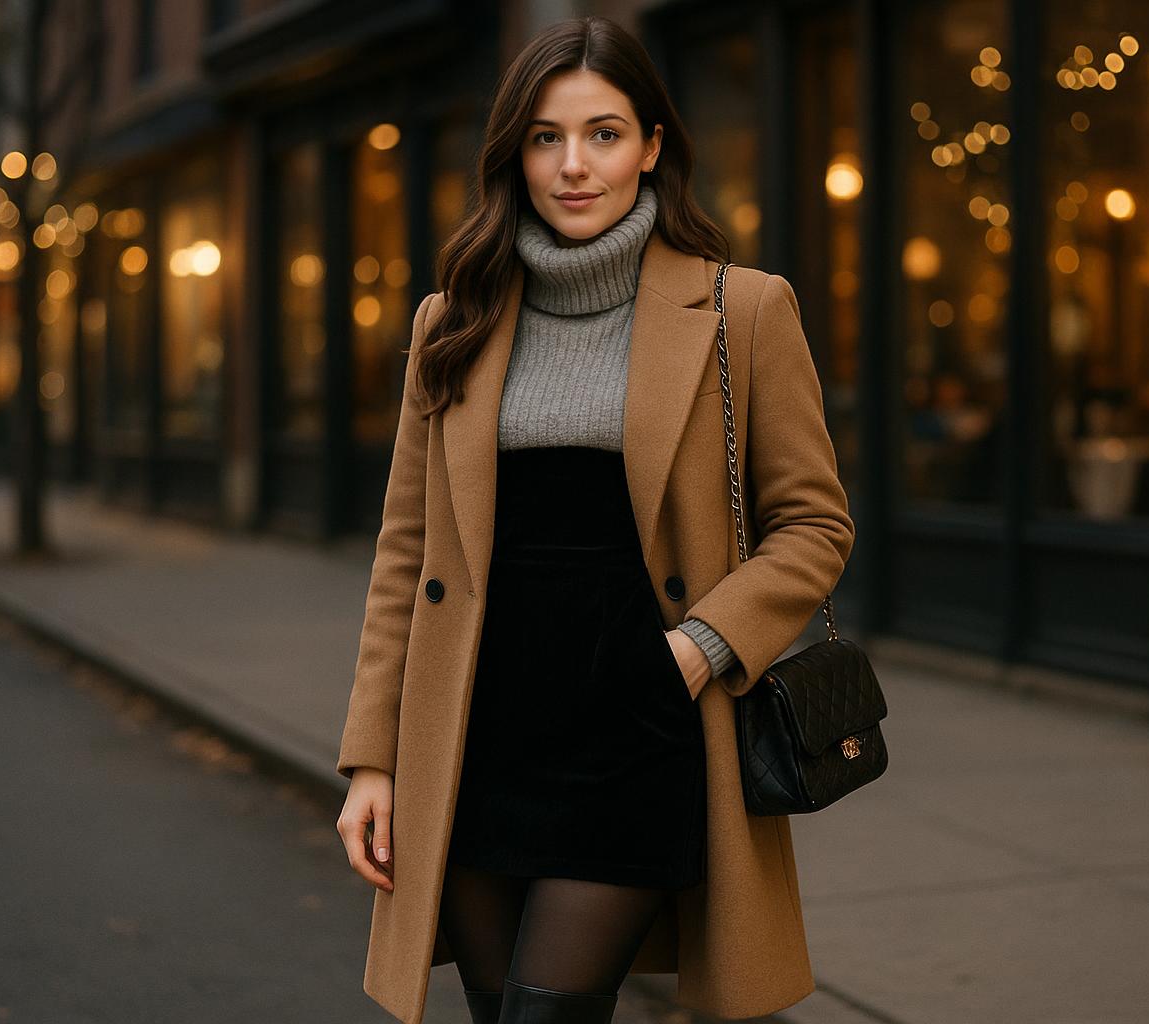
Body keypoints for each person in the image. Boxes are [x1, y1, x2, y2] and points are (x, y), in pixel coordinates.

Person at [336, 15, 855, 1024]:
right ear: (515, 154)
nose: (575, 165)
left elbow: (814, 525)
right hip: (479, 739)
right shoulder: (454, 320)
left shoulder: (741, 311)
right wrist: (373, 759)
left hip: (639, 733)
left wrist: (696, 654)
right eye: (546, 137)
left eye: (605, 134)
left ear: (654, 146)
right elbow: (407, 553)